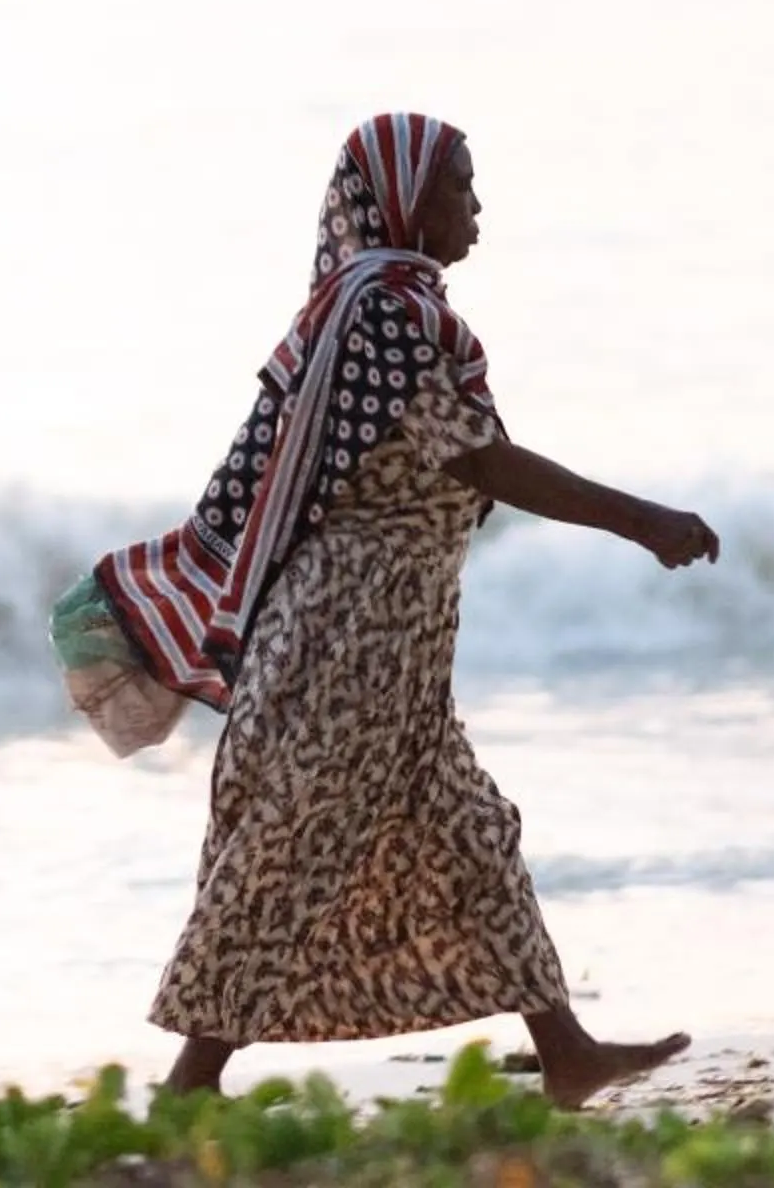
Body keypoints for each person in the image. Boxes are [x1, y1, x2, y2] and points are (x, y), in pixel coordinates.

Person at [87, 112, 718, 1108]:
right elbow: (480, 457)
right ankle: (189, 1081)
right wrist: (642, 518)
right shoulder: (383, 308)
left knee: (472, 832)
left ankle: (567, 1050)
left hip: (396, 638)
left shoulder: (389, 303)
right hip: (345, 639)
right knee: (290, 844)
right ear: (401, 200)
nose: (475, 207)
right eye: (458, 187)